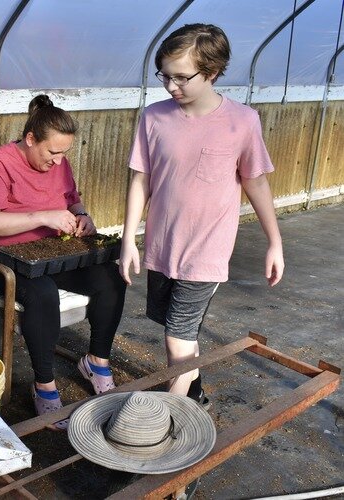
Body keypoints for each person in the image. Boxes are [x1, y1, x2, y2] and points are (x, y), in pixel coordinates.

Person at [120, 24, 284, 406]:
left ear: (211, 72)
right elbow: (140, 180)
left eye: (182, 77)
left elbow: (256, 183)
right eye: (165, 75)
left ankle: (166, 421)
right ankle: (194, 396)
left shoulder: (241, 121)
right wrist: (129, 239)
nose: (171, 86)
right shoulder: (154, 118)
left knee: (178, 334)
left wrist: (275, 242)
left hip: (206, 249)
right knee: (174, 331)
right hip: (162, 245)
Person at [0, 95, 127, 430]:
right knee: (42, 292)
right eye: (52, 152)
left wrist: (82, 217)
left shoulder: (59, 164)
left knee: (110, 276)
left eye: (64, 152)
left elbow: (73, 200)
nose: (58, 161)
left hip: (48, 252)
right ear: (30, 140)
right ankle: (45, 387)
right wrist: (44, 216)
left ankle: (96, 362)